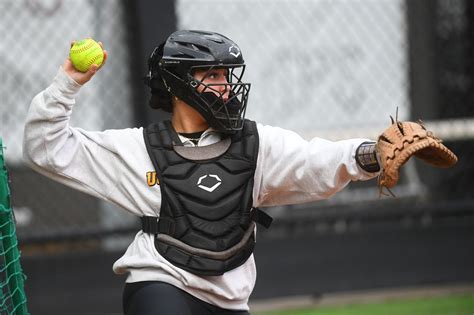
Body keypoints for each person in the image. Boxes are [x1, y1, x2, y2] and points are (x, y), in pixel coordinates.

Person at [23, 30, 380, 314]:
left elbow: (314, 161)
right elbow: (47, 148)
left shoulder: (256, 142)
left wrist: (371, 154)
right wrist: (66, 84)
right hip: (161, 281)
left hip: (230, 298)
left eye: (227, 76)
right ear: (178, 86)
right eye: (212, 75)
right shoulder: (139, 148)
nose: (225, 86)